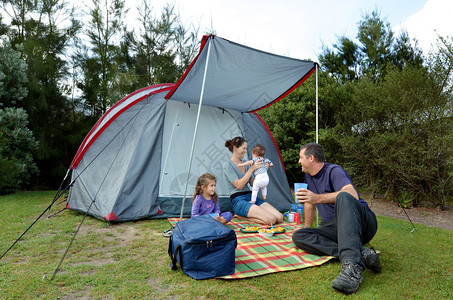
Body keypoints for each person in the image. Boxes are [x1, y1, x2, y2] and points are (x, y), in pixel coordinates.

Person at [291, 143, 381, 295]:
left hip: (362, 223)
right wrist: (306, 226)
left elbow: (351, 195)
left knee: (343, 196)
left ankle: (352, 268)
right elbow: (309, 201)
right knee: (300, 236)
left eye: (301, 157)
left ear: (311, 158)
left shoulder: (334, 171)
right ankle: (362, 254)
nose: (299, 161)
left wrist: (317, 197)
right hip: (337, 228)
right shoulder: (308, 176)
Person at [223, 136, 283, 225]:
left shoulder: (246, 163)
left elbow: (251, 182)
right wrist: (251, 169)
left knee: (279, 217)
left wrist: (262, 173)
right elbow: (238, 186)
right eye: (243, 148)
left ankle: (251, 215)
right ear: (235, 148)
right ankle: (241, 217)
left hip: (251, 197)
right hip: (239, 200)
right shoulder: (227, 165)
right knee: (271, 220)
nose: (245, 151)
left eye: (246, 148)